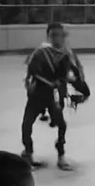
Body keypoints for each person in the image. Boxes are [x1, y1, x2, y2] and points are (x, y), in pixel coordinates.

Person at [21, 22, 90, 171]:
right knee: (26, 124)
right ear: (49, 36)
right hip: (38, 94)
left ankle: (61, 155)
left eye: (60, 35)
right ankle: (28, 154)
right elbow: (32, 71)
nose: (57, 38)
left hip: (53, 96)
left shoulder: (66, 54)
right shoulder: (40, 52)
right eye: (54, 35)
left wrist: (80, 88)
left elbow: (73, 74)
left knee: (62, 125)